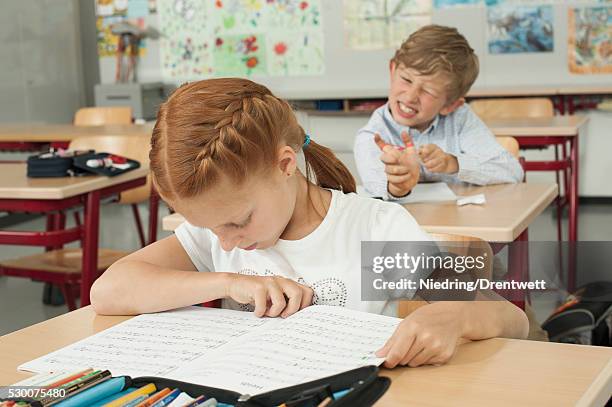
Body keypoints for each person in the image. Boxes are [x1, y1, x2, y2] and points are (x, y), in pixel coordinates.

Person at [91, 78, 528, 368]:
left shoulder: (375, 231)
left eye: (238, 221)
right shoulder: (218, 236)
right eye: (212, 228)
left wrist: (454, 318)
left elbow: (511, 319)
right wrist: (226, 283)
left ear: (286, 163)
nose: (228, 240)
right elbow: (107, 291)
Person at [354, 25, 524, 200]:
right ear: (392, 70)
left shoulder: (460, 119)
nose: (411, 96)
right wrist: (400, 185)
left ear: (450, 105)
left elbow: (512, 171)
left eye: (428, 91)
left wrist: (453, 163)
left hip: (463, 223)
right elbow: (376, 185)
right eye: (406, 79)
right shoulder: (372, 136)